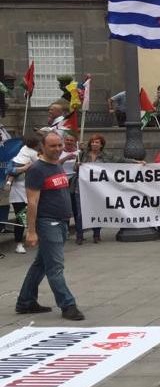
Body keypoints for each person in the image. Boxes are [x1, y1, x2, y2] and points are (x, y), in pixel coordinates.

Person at [14, 132, 84, 320]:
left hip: (61, 222)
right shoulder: (37, 169)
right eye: (52, 146)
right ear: (42, 148)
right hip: (47, 223)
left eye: (59, 145)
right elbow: (32, 202)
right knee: (55, 267)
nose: (58, 149)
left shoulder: (57, 166)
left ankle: (25, 301)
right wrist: (31, 231)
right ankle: (68, 305)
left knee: (41, 264)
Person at [5, 135, 40, 254]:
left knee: (34, 217)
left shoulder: (32, 154)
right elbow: (9, 171)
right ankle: (19, 243)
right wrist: (25, 167)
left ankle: (33, 237)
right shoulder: (18, 158)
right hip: (18, 193)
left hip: (32, 191)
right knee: (21, 218)